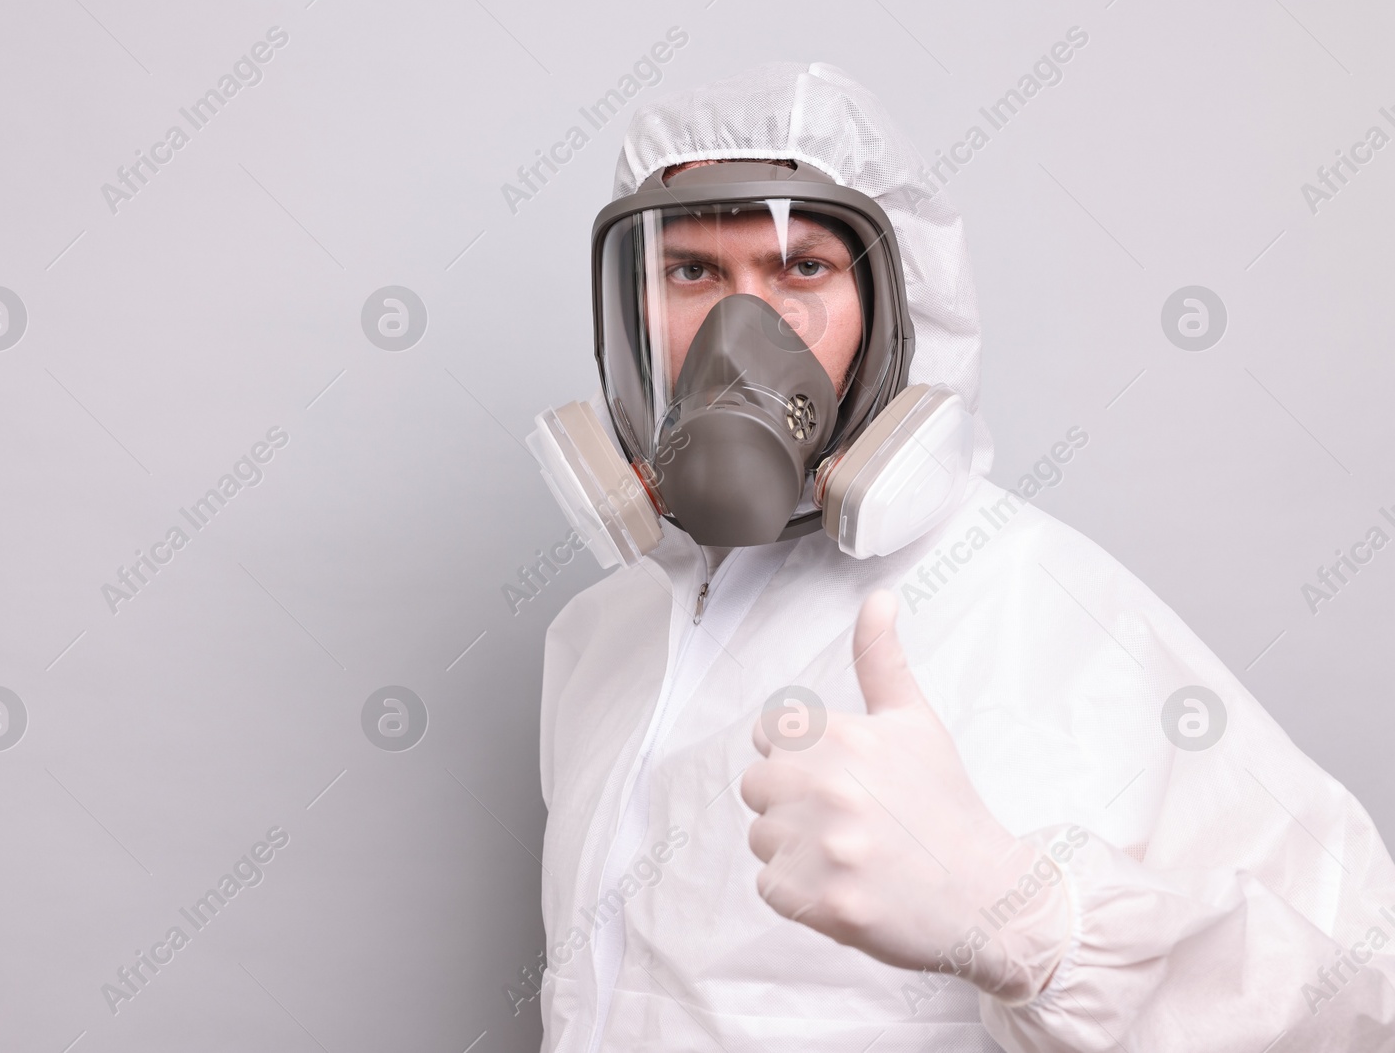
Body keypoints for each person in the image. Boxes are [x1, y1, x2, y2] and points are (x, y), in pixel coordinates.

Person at [530, 62, 1395, 1052]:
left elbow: (1359, 991)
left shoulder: (1040, 606)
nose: (742, 331)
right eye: (691, 272)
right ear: (633, 312)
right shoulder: (601, 639)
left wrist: (1032, 924)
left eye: (801, 268)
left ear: (902, 309)